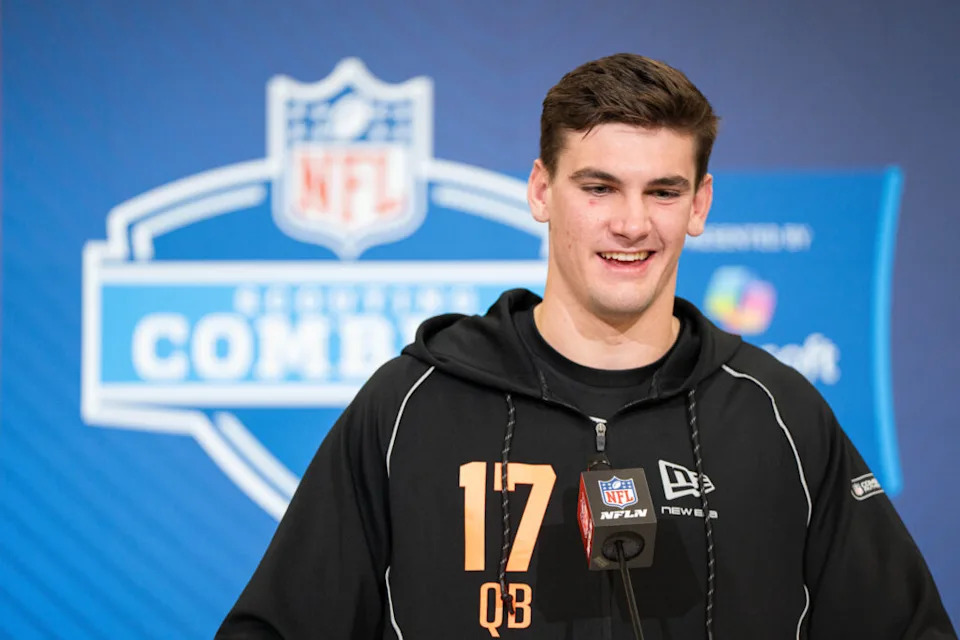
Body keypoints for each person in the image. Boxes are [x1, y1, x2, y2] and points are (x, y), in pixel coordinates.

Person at [217, 53, 955, 639]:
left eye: (663, 192)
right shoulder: (411, 404)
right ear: (541, 191)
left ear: (699, 205)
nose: (631, 224)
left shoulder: (779, 413)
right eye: (598, 187)